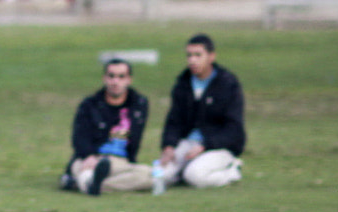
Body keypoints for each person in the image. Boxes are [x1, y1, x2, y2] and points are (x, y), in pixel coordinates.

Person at [157, 33, 245, 188]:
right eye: (189, 55)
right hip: (188, 143)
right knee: (160, 174)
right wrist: (169, 146)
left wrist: (205, 145)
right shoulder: (183, 83)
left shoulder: (227, 84)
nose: (192, 60)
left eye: (198, 55)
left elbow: (234, 129)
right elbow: (174, 120)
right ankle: (182, 172)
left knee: (195, 176)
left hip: (217, 146)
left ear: (211, 57)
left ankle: (231, 171)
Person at [62, 58, 152, 195]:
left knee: (148, 174)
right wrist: (89, 155)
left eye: (121, 77)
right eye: (111, 76)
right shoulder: (90, 104)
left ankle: (89, 184)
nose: (115, 81)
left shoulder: (139, 104)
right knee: (83, 170)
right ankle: (92, 181)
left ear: (129, 80)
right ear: (104, 78)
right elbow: (79, 137)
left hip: (119, 162)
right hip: (92, 158)